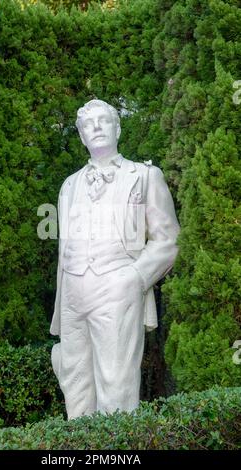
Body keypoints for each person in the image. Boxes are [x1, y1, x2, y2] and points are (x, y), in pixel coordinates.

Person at [50, 99, 180, 419]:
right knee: (75, 382)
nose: (95, 127)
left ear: (117, 128)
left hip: (117, 289)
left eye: (103, 120)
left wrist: (134, 278)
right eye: (87, 124)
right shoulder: (69, 186)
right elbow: (64, 249)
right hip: (72, 296)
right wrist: (61, 303)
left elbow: (169, 239)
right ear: (81, 137)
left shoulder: (146, 176)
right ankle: (79, 448)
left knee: (117, 384)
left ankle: (116, 451)